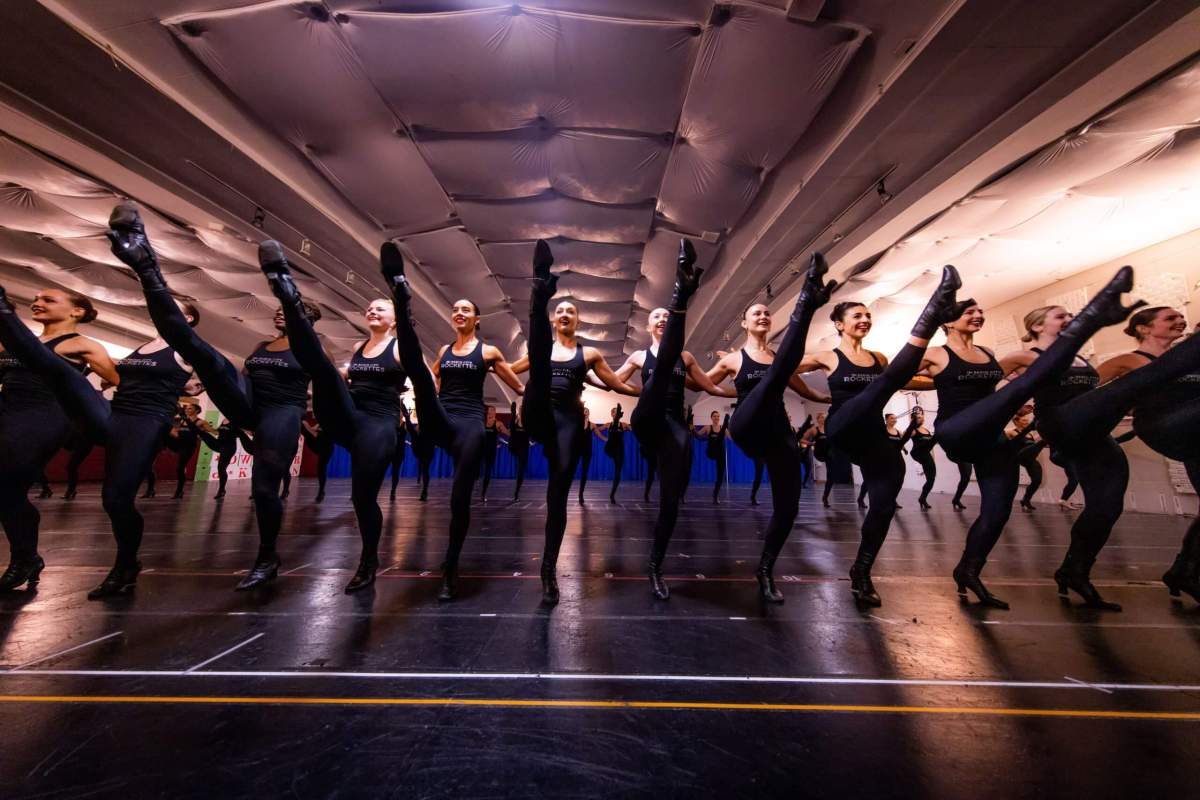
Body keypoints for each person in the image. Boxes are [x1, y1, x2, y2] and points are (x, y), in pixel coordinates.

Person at [107, 203, 314, 592]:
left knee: (264, 488)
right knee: (202, 352)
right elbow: (239, 378)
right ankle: (144, 264)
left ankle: (267, 555)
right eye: (280, 310)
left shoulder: (311, 347)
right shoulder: (261, 344)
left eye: (290, 311)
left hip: (282, 412)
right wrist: (218, 396)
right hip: (251, 404)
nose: (279, 316)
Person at [934, 267, 1145, 610]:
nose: (977, 315)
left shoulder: (994, 354)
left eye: (979, 311)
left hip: (1030, 433)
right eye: (1061, 316)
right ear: (1036, 326)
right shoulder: (1016, 357)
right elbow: (988, 392)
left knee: (999, 512)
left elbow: (992, 389)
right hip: (1014, 426)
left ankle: (969, 571)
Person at [793, 266, 968, 606]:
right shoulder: (826, 356)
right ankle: (932, 313)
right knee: (879, 387)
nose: (864, 319)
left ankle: (862, 570)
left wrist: (948, 379)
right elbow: (781, 370)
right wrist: (814, 397)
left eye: (868, 315)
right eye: (857, 315)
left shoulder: (879, 358)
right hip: (843, 425)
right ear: (840, 324)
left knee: (885, 504)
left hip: (873, 433)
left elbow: (901, 380)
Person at [258, 241, 406, 593]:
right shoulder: (357, 348)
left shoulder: (399, 347)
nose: (372, 312)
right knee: (324, 367)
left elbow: (429, 382)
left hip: (379, 423)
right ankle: (288, 294)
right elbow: (339, 376)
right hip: (349, 415)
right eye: (369, 308)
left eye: (380, 309)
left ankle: (369, 558)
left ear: (395, 319)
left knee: (362, 498)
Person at [379, 242, 525, 600]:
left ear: (477, 319)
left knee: (460, 500)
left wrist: (522, 372)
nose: (458, 313)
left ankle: (451, 567)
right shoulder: (444, 351)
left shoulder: (488, 351)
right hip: (440, 416)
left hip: (470, 422)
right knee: (423, 384)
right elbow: (430, 381)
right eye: (455, 310)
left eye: (465, 310)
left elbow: (517, 385)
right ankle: (402, 300)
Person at [513, 240, 640, 604]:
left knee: (558, 495)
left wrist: (647, 394)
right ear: (554, 319)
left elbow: (615, 383)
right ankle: (539, 286)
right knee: (537, 359)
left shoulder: (590, 353)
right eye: (561, 311)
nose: (566, 314)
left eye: (571, 311)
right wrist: (514, 391)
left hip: (568, 421)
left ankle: (548, 569)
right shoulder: (540, 348)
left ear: (577, 320)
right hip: (537, 409)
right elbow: (509, 369)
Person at [706, 254, 836, 601]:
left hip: (778, 428)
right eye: (756, 313)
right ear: (744, 323)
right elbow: (703, 384)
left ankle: (765, 569)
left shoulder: (782, 357)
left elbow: (800, 388)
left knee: (788, 506)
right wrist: (724, 390)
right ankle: (806, 299)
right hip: (748, 423)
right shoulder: (733, 359)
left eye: (767, 312)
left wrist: (824, 400)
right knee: (776, 374)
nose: (763, 316)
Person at [613, 244, 735, 599]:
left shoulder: (684, 355)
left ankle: (656, 565)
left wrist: (743, 394)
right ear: (648, 325)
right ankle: (683, 290)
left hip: (674, 425)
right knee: (655, 385)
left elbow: (708, 385)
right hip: (648, 417)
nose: (661, 320)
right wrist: (579, 378)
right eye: (657, 317)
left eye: (667, 316)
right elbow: (615, 380)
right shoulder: (638, 355)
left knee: (672, 496)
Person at [0, 286, 118, 591]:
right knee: (6, 493)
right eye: (36, 299)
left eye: (48, 300)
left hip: (46, 418)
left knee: (9, 486)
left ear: (76, 311)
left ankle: (23, 558)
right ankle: (27, 557)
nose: (37, 303)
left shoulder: (83, 345)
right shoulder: (16, 342)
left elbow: (122, 382)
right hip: (8, 412)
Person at [1094, 306, 1200, 603]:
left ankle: (1184, 572)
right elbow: (1085, 393)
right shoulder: (1130, 360)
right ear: (1143, 328)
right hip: (1162, 424)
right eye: (1170, 318)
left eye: (1181, 318)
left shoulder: (1188, 358)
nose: (1180, 321)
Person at [594, 404, 627, 504]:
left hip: (619, 450)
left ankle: (612, 494)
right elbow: (596, 429)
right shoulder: (608, 424)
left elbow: (634, 428)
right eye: (615, 412)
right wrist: (604, 438)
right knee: (617, 465)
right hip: (610, 448)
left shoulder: (624, 425)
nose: (616, 413)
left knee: (618, 473)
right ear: (612, 414)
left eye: (618, 412)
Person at [905, 408, 936, 510]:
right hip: (918, 453)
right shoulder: (913, 430)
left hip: (926, 453)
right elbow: (904, 436)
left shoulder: (926, 430)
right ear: (914, 419)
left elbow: (931, 442)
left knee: (931, 479)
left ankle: (922, 498)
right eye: (918, 418)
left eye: (922, 417)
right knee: (930, 477)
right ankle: (922, 498)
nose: (921, 419)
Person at [301, 414, 334, 503]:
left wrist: (310, 428)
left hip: (326, 446)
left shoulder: (331, 422)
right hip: (318, 443)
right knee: (303, 425)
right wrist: (309, 427)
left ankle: (321, 491)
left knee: (321, 468)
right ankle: (321, 492)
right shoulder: (321, 422)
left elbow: (315, 432)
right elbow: (313, 429)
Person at [479, 405, 508, 502]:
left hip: (491, 450)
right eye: (489, 411)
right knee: (475, 470)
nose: (490, 413)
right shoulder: (482, 422)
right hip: (481, 449)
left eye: (492, 411)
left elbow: (507, 433)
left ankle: (483, 493)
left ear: (495, 413)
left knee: (487, 472)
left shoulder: (498, 424)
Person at [700, 411, 730, 504]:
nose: (716, 418)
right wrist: (690, 425)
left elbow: (732, 438)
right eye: (714, 416)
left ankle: (715, 495)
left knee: (720, 477)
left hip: (720, 454)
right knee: (720, 436)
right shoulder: (708, 427)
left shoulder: (723, 430)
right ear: (711, 417)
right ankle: (726, 423)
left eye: (718, 416)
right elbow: (696, 435)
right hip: (711, 452)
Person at [506, 401, 530, 501]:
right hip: (514, 446)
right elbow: (511, 430)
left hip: (523, 448)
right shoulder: (515, 420)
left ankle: (517, 492)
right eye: (520, 409)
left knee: (521, 471)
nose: (521, 411)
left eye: (523, 410)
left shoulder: (528, 422)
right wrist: (513, 413)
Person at [577, 408, 595, 505]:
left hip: (587, 451)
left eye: (587, 411)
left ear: (589, 414)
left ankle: (581, 494)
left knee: (584, 473)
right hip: (577, 450)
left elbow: (598, 433)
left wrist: (606, 439)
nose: (585, 413)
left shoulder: (591, 425)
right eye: (584, 411)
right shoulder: (577, 424)